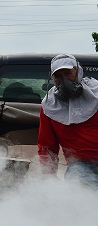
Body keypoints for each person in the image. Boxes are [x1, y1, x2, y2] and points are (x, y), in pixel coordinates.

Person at [38, 53, 98, 187]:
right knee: (85, 194)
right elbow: (47, 146)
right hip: (80, 166)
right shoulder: (49, 105)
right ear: (52, 78)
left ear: (78, 71)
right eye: (58, 76)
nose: (64, 80)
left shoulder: (96, 94)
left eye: (68, 73)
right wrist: (49, 178)